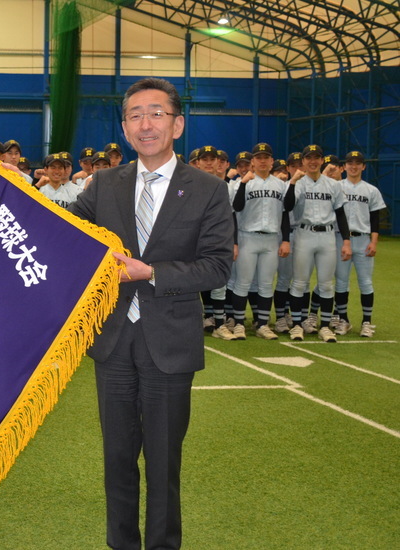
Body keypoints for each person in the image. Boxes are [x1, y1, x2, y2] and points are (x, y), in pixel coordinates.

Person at [68, 77, 234, 550]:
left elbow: (218, 266)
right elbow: (66, 234)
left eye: (156, 113)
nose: (146, 124)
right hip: (115, 342)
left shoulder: (207, 189)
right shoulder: (102, 185)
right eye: (136, 115)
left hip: (170, 344)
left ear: (177, 124)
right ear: (124, 127)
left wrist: (151, 272)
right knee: (117, 459)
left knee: (163, 463)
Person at [284, 144, 351, 342]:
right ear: (303, 161)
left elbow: (340, 213)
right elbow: (287, 206)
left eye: (317, 157)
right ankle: (297, 325)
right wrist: (293, 182)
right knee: (299, 282)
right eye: (309, 158)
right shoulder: (298, 182)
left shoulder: (333, 185)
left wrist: (346, 241)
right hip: (304, 233)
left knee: (326, 284)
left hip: (328, 236)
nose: (312, 161)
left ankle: (324, 326)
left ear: (322, 161)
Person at [229, 143, 289, 339]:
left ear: (272, 161)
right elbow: (236, 209)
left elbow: (286, 214)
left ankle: (262, 324)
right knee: (243, 282)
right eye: (259, 157)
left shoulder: (281, 185)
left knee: (265, 283)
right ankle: (238, 323)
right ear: (253, 161)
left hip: (272, 238)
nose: (262, 161)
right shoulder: (243, 183)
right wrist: (245, 183)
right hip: (248, 236)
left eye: (266, 157)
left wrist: (286, 240)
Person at [332, 150, 384, 337]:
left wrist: (374, 242)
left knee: (365, 283)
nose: (353, 166)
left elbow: (375, 218)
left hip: (363, 239)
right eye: (350, 162)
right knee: (341, 283)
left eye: (358, 163)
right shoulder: (337, 187)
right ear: (344, 166)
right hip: (340, 239)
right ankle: (343, 320)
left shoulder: (371, 190)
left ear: (364, 166)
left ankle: (367, 322)